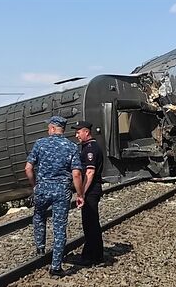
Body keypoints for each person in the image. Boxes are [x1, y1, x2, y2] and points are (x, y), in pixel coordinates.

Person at [25, 115, 85, 276]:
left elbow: (28, 169)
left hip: (42, 189)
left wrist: (35, 185)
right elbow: (77, 174)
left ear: (52, 128)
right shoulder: (71, 147)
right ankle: (56, 267)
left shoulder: (40, 144)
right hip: (61, 191)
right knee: (59, 228)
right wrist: (80, 194)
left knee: (39, 216)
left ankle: (40, 247)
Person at [68, 120, 105, 266]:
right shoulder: (87, 147)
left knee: (91, 223)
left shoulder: (90, 149)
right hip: (91, 190)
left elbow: (89, 172)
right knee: (90, 223)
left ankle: (92, 256)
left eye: (78, 132)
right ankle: (93, 254)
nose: (76, 135)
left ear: (86, 132)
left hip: (91, 190)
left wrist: (81, 193)